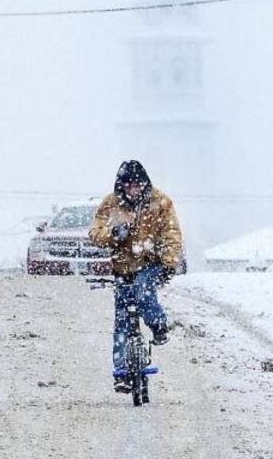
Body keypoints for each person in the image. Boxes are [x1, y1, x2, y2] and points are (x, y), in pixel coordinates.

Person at [89, 160, 183, 393]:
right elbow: (95, 232)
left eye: (138, 185)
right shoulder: (111, 204)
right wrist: (113, 234)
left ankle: (158, 325)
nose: (134, 190)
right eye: (129, 185)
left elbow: (172, 233)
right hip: (122, 268)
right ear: (121, 186)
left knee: (143, 292)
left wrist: (169, 262)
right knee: (122, 319)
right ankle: (120, 372)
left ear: (145, 184)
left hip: (150, 264)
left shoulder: (160, 202)